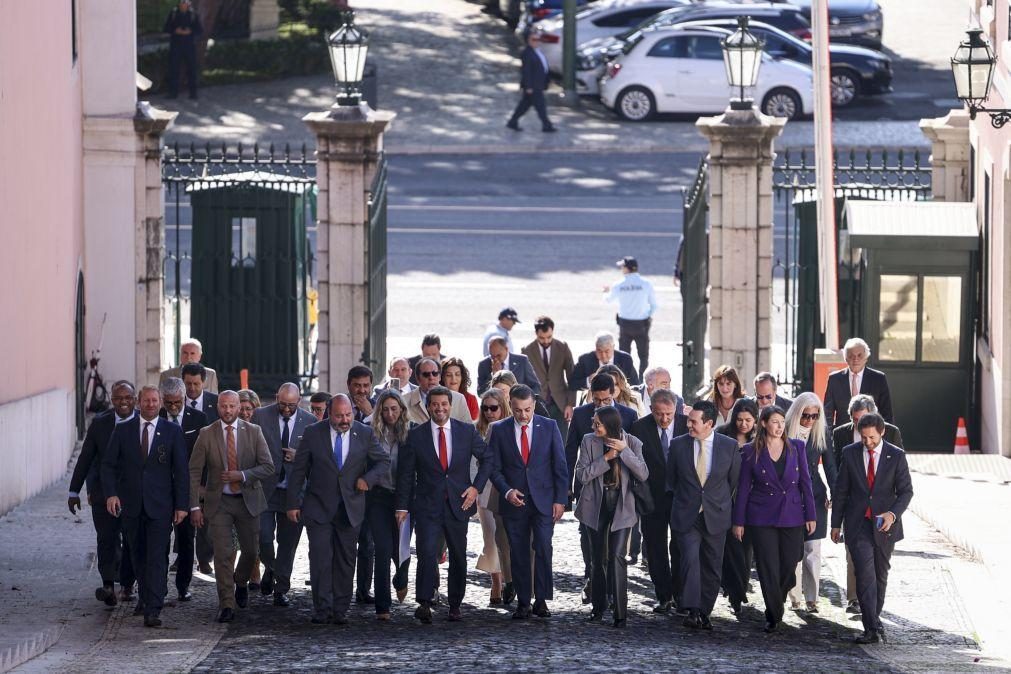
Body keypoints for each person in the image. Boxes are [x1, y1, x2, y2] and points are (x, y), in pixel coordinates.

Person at [286, 395, 390, 625]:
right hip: (318, 507)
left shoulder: (364, 433)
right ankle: (322, 608)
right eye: (339, 416)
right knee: (321, 559)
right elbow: (299, 470)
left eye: (348, 415)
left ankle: (341, 609)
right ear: (328, 414)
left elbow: (383, 461)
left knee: (345, 560)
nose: (344, 420)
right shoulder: (314, 433)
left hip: (350, 507)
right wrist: (293, 503)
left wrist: (368, 479)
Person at [395, 386, 493, 623]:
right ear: (428, 407)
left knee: (458, 555)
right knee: (427, 552)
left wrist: (475, 487)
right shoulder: (415, 436)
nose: (440, 408)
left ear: (450, 406)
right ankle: (425, 602)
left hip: (458, 503)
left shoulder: (466, 432)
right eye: (435, 404)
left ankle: (455, 604)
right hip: (428, 504)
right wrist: (401, 507)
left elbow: (488, 459)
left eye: (444, 404)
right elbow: (406, 475)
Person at [101, 386, 189, 628]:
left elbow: (181, 471)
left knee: (157, 557)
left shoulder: (172, 431)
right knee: (138, 555)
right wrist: (111, 494)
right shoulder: (123, 430)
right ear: (138, 403)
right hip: (131, 505)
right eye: (146, 400)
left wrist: (182, 505)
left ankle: (153, 608)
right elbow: (108, 465)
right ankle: (145, 596)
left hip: (161, 506)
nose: (150, 404)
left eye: (154, 400)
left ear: (160, 402)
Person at [188, 391, 274, 623]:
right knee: (223, 554)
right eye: (223, 406)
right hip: (220, 503)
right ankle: (226, 603)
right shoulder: (207, 434)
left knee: (251, 551)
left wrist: (243, 475)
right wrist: (194, 506)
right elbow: (194, 471)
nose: (227, 410)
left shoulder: (253, 432)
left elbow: (268, 467)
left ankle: (241, 580)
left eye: (232, 406)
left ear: (239, 408)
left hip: (248, 501)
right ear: (218, 407)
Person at [732, 405, 816, 633]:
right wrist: (738, 521)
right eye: (775, 422)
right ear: (764, 424)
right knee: (768, 565)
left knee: (791, 560)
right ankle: (773, 612)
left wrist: (811, 514)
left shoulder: (797, 447)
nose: (779, 426)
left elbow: (805, 483)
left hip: (792, 514)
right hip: (760, 516)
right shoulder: (750, 451)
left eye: (782, 422)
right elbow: (743, 489)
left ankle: (776, 598)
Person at [831, 413, 913, 644]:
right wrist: (835, 523)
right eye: (864, 437)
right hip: (858, 525)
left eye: (872, 438)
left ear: (882, 432)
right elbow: (841, 491)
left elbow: (906, 491)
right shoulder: (850, 453)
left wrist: (893, 514)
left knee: (880, 575)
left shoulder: (895, 456)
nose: (867, 442)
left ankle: (874, 620)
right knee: (865, 575)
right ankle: (870, 628)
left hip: (884, 525)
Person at [489, 385, 568, 619]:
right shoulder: (500, 430)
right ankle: (523, 601)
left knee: (543, 546)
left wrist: (560, 500)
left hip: (544, 500)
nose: (523, 415)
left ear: (533, 405)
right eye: (517, 410)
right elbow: (494, 468)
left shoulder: (550, 426)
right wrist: (506, 491)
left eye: (527, 410)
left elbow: (560, 465)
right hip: (514, 501)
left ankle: (541, 599)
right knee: (518, 550)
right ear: (510, 406)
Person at [667, 400, 741, 631]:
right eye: (689, 420)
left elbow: (733, 481)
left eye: (694, 421)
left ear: (709, 423)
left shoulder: (728, 446)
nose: (689, 425)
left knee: (711, 565)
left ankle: (704, 610)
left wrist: (716, 502)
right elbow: (671, 481)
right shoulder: (678, 445)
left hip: (716, 515)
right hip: (686, 514)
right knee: (689, 559)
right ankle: (691, 609)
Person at [565, 374, 638, 603]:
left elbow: (636, 455)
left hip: (619, 491)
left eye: (605, 400)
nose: (600, 404)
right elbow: (569, 452)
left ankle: (612, 592)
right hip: (589, 488)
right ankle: (593, 579)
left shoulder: (628, 415)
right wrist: (566, 488)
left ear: (614, 393)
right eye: (596, 400)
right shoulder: (580, 414)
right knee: (590, 542)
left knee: (615, 548)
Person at [574, 406, 648, 627]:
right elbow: (582, 475)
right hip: (594, 505)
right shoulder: (589, 441)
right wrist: (606, 457)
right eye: (593, 422)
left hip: (621, 505)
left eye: (598, 423)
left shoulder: (632, 442)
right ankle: (598, 608)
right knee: (598, 559)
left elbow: (643, 473)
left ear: (611, 425)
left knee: (616, 557)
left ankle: (620, 612)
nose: (594, 427)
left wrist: (624, 451)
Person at [68, 381, 138, 607]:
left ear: (134, 399)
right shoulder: (100, 424)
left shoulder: (143, 423)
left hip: (132, 493)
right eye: (119, 398)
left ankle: (127, 584)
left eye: (128, 397)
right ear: (111, 399)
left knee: (130, 539)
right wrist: (74, 490)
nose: (123, 402)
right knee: (106, 539)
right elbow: (86, 458)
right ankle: (108, 585)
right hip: (102, 492)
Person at [251, 383, 315, 607]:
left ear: (299, 401)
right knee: (264, 538)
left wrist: (299, 457)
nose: (286, 409)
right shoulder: (259, 416)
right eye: (282, 404)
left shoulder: (310, 422)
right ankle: (271, 567)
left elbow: (315, 459)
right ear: (276, 397)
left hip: (293, 493)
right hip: (265, 490)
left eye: (291, 405)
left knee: (288, 543)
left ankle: (281, 589)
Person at [630, 389, 688, 615]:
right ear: (652, 410)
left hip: (681, 496)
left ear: (676, 410)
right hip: (652, 497)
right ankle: (664, 595)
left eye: (669, 414)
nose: (664, 419)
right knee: (655, 547)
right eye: (659, 414)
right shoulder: (639, 428)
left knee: (681, 546)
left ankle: (681, 593)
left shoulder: (686, 424)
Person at [785, 393, 838, 613]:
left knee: (813, 549)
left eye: (814, 416)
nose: (809, 420)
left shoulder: (821, 431)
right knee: (794, 549)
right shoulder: (784, 429)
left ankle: (812, 599)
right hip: (789, 496)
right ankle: (794, 597)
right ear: (797, 412)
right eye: (805, 415)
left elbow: (830, 466)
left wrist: (836, 493)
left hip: (815, 495)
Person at [159, 377, 207, 601]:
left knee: (187, 540)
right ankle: (158, 586)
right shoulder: (155, 418)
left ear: (184, 398)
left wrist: (202, 488)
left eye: (177, 402)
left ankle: (183, 585)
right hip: (159, 490)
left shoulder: (198, 419)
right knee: (159, 541)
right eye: (169, 403)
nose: (174, 407)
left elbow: (206, 456)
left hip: (188, 489)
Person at [368, 390, 414, 619]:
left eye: (394, 408)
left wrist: (404, 504)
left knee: (401, 549)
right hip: (378, 497)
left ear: (402, 409)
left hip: (404, 498)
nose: (389, 413)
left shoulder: (411, 432)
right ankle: (382, 606)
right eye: (385, 409)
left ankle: (402, 577)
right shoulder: (372, 433)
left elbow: (411, 471)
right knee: (383, 549)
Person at [714, 397, 760, 616]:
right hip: (726, 498)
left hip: (752, 500)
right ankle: (735, 592)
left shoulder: (760, 438)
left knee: (746, 549)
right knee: (730, 548)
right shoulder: (722, 434)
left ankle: (740, 588)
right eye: (740, 419)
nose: (743, 424)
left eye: (748, 420)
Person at [475, 389, 513, 606]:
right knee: (490, 538)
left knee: (508, 538)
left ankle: (510, 578)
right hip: (485, 489)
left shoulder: (508, 428)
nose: (489, 412)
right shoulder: (476, 429)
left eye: (493, 408)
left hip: (506, 487)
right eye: (485, 408)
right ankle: (496, 582)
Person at [347, 367, 379, 603]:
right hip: (344, 486)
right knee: (346, 541)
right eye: (357, 385)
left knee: (367, 542)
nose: (362, 390)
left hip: (370, 487)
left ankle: (363, 590)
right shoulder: (338, 406)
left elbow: (384, 442)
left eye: (366, 385)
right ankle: (343, 587)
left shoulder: (379, 407)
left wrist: (370, 416)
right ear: (349, 385)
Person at [604, 256, 658, 379]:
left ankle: (626, 380)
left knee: (624, 355)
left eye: (622, 267)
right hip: (641, 324)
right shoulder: (646, 284)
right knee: (643, 356)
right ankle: (642, 378)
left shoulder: (619, 284)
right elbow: (654, 305)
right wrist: (646, 315)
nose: (621, 269)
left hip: (625, 324)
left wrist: (605, 291)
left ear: (627, 269)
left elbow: (608, 299)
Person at [522, 315, 576, 436]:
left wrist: (570, 404)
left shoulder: (563, 348)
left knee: (561, 443)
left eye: (549, 337)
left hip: (560, 405)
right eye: (542, 338)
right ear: (536, 333)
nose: (546, 341)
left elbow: (572, 377)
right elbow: (524, 381)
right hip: (537, 404)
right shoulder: (527, 351)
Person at [824, 338, 894, 426]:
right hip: (842, 436)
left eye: (859, 355)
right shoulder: (834, 379)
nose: (855, 359)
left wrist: (881, 437)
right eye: (851, 356)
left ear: (866, 358)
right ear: (846, 358)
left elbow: (887, 414)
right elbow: (827, 414)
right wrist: (829, 438)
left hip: (870, 436)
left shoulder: (878, 379)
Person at [506, 32, 556, 133]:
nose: (536, 42)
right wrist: (528, 86)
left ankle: (512, 121)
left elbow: (543, 67)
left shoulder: (538, 51)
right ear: (529, 41)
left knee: (524, 105)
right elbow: (526, 71)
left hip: (539, 84)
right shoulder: (527, 53)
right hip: (533, 85)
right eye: (534, 40)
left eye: (538, 40)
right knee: (540, 106)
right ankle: (547, 125)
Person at [404, 358, 473, 424]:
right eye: (426, 374)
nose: (431, 378)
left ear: (440, 377)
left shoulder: (458, 399)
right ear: (418, 378)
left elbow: (469, 430)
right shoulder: (404, 401)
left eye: (435, 373)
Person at [571, 331, 640, 390]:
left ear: (613, 347)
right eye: (599, 351)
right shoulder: (585, 359)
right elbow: (572, 384)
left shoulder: (625, 359)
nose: (603, 355)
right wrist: (588, 380)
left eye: (607, 351)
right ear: (595, 348)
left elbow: (635, 385)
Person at [163, 0, 203, 100]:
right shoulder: (173, 13)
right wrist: (175, 31)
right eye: (182, 2)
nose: (184, 4)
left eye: (186, 2)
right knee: (174, 69)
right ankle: (173, 93)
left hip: (189, 46)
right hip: (176, 46)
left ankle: (193, 94)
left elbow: (199, 30)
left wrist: (190, 31)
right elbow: (166, 28)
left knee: (192, 69)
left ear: (189, 4)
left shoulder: (193, 14)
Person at [477, 335, 541, 395]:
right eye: (492, 356)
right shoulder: (483, 365)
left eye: (498, 355)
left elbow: (536, 386)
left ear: (506, 349)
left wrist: (525, 399)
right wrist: (493, 375)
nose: (496, 359)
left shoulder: (522, 360)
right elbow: (480, 393)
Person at [441, 357, 480, 421]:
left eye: (457, 374)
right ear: (442, 378)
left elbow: (473, 426)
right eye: (448, 375)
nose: (453, 379)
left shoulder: (471, 399)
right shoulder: (435, 397)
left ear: (462, 377)